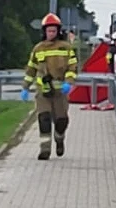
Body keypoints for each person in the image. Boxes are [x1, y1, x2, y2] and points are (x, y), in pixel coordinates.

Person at [21, 12, 78, 159]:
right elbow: (31, 69)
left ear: (58, 31)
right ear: (44, 31)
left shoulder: (66, 48)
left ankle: (59, 139)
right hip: (43, 92)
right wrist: (25, 87)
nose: (51, 33)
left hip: (60, 93)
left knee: (61, 121)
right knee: (44, 119)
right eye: (48, 30)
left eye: (53, 30)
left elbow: (72, 68)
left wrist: (69, 82)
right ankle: (45, 150)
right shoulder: (38, 48)